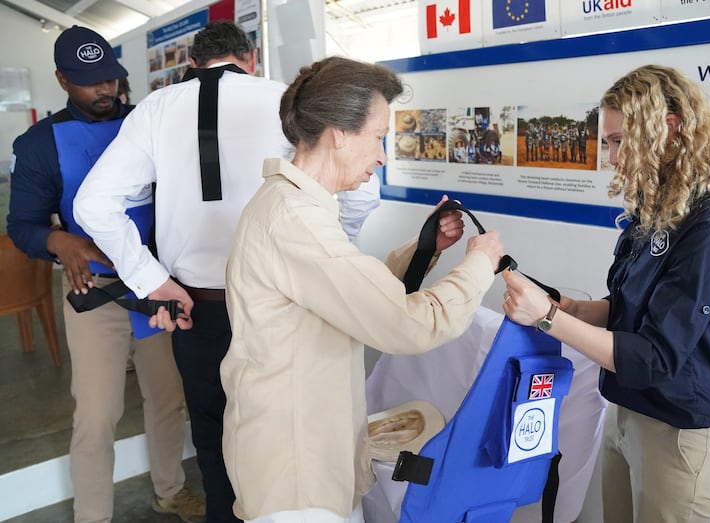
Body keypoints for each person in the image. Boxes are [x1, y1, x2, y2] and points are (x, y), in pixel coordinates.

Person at [74, 21, 383, 522]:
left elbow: (93, 204)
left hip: (194, 309)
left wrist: (152, 280)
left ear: (192, 64)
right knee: (291, 440)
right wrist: (330, 249)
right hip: (286, 307)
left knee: (215, 439)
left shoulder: (155, 107)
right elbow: (362, 192)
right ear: (251, 59)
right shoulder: (288, 100)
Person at [220, 55, 505, 523]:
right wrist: (480, 264)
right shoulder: (296, 219)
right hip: (295, 474)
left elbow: (348, 292)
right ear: (339, 133)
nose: (382, 156)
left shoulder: (294, 205)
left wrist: (425, 248)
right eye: (377, 137)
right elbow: (408, 324)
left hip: (310, 455)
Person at [502, 64, 710, 523]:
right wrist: (574, 309)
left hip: (682, 434)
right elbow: (630, 308)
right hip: (630, 415)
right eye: (607, 141)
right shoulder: (658, 209)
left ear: (666, 128)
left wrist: (548, 318)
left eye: (620, 141)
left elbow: (654, 356)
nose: (611, 156)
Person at [7, 25, 203, 523]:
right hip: (93, 295)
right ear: (61, 80)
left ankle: (170, 490)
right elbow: (23, 225)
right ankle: (92, 515)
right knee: (95, 417)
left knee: (166, 401)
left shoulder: (147, 124)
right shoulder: (39, 143)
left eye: (110, 79)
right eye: (88, 82)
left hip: (157, 288)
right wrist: (61, 240)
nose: (104, 91)